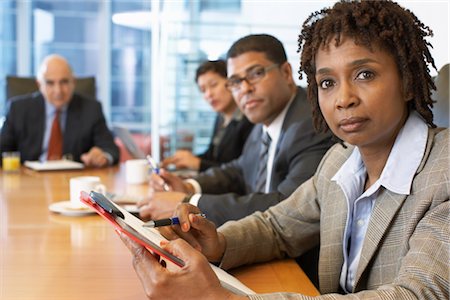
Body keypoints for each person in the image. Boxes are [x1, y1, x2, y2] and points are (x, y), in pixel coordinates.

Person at [119, 1, 449, 299]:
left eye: (365, 74)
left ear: (407, 81)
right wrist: (219, 243)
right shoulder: (341, 161)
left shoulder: (443, 173)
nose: (342, 98)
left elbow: (418, 293)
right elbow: (278, 228)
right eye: (327, 82)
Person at [139, 34, 334, 226]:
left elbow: (287, 207)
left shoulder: (312, 123)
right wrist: (189, 186)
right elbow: (240, 170)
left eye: (256, 74)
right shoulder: (263, 119)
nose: (245, 89)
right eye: (235, 82)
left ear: (286, 72)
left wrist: (188, 203)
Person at [0, 54, 120, 167]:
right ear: (39, 84)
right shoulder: (18, 109)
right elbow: (2, 149)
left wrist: (102, 156)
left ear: (73, 82)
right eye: (50, 83)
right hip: (28, 180)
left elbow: (110, 149)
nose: (58, 91)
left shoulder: (91, 109)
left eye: (64, 82)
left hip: (72, 180)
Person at [161, 60, 254, 172]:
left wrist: (198, 163)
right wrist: (188, 159)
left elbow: (239, 172)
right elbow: (212, 156)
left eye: (213, 85)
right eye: (203, 90)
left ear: (231, 82)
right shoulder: (220, 118)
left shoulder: (249, 121)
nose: (208, 94)